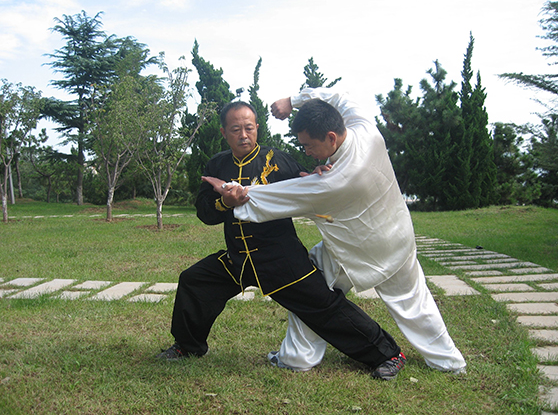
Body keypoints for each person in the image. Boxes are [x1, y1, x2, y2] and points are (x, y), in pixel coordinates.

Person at [157, 100, 407, 381]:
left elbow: (306, 181)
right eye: (236, 129)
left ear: (257, 128)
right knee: (195, 280)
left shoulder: (276, 159)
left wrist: (316, 175)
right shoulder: (218, 163)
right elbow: (205, 211)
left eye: (249, 128)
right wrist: (224, 203)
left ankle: (388, 354)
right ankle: (187, 347)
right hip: (238, 259)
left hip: (280, 260)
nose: (243, 135)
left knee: (324, 307)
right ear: (224, 132)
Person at [233, 88, 466, 374]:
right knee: (411, 303)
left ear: (331, 137)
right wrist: (293, 102)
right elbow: (338, 97)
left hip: (358, 248)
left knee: (313, 290)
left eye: (308, 145)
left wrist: (237, 193)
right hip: (396, 236)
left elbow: (280, 197)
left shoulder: (338, 180)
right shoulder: (366, 129)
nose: (305, 151)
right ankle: (449, 362)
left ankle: (298, 358)